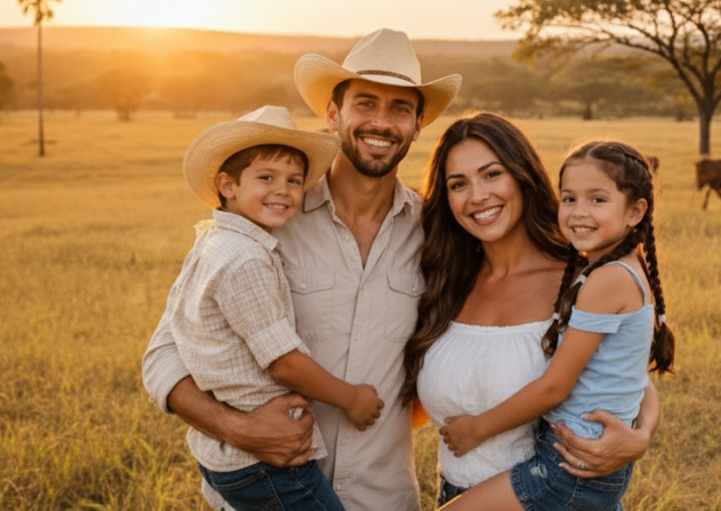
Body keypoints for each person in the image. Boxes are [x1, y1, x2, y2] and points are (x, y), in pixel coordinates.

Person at [144, 29, 462, 511]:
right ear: (333, 115)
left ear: (418, 125)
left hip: (383, 498)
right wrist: (238, 429)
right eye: (366, 102)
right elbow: (164, 355)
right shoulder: (264, 219)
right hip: (265, 492)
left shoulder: (435, 234)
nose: (381, 121)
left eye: (400, 108)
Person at [401, 115, 661, 506]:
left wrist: (639, 439)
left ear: (523, 176)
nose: (477, 196)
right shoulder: (443, 280)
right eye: (459, 184)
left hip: (549, 491)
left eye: (491, 175)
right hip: (456, 492)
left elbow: (630, 375)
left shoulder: (579, 277)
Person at [167, 105, 381, 511]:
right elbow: (282, 361)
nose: (283, 190)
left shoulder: (211, 242)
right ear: (227, 185)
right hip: (267, 457)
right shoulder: (246, 259)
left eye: (294, 181)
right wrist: (351, 398)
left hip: (229, 459)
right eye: (266, 178)